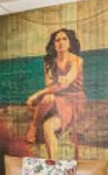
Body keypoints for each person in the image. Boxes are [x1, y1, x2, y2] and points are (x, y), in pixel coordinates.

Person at [26, 28, 86, 159]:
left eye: (64, 39)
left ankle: (34, 126)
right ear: (53, 44)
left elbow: (67, 80)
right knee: (47, 124)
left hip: (73, 101)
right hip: (57, 98)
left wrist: (36, 95)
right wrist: (56, 81)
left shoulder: (76, 60)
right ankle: (52, 162)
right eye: (57, 40)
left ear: (69, 43)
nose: (61, 42)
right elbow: (49, 84)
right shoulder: (49, 62)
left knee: (48, 98)